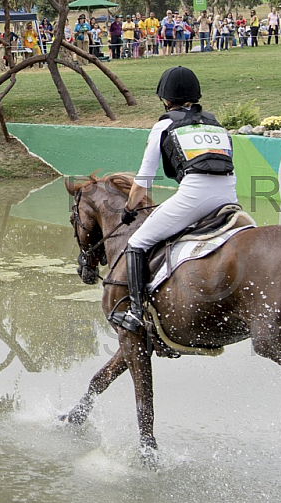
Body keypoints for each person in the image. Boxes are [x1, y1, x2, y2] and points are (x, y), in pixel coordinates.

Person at [115, 66, 238, 333]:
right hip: (229, 194)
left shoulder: (165, 125)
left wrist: (128, 208)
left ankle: (137, 314)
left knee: (137, 242)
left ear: (165, 99)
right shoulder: (215, 123)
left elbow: (144, 179)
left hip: (195, 194)